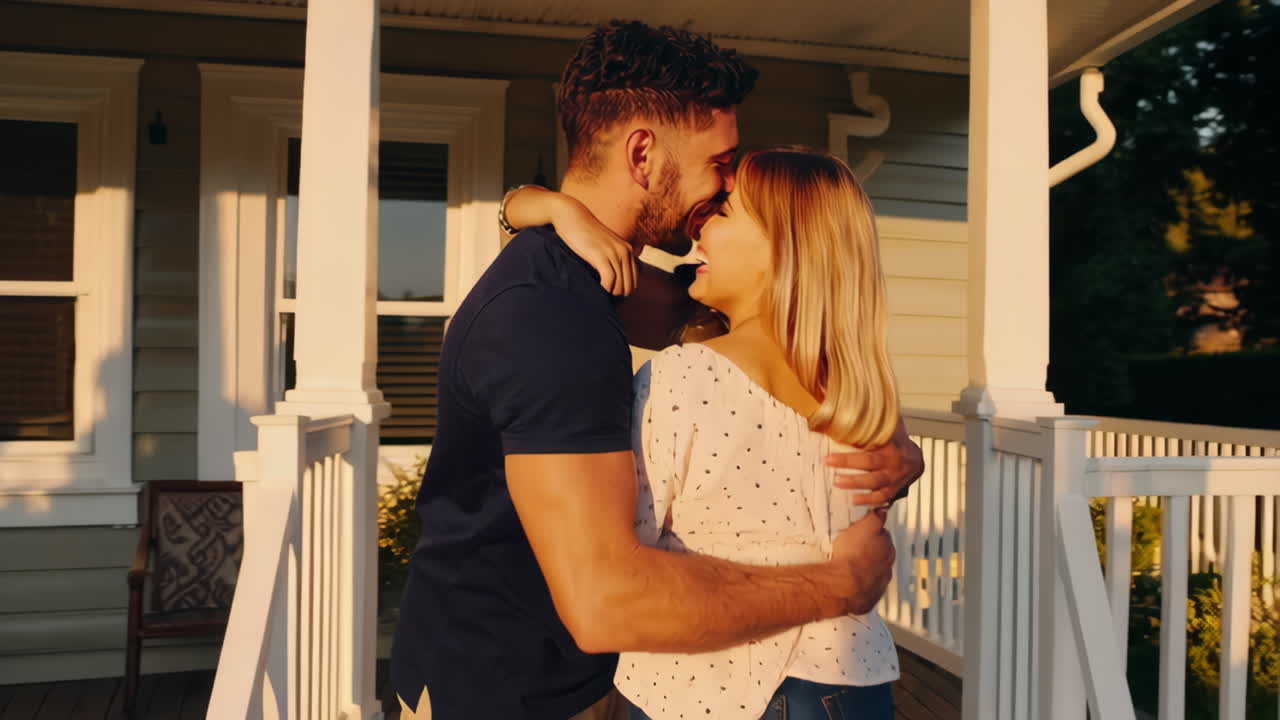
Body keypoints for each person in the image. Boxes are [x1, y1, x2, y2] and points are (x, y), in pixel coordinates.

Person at [389, 21, 922, 720]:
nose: (721, 188)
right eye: (721, 164)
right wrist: (838, 584)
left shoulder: (601, 277)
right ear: (643, 154)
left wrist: (893, 441)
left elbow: (799, 316)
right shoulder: (549, 315)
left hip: (591, 680)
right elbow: (608, 602)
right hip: (501, 689)